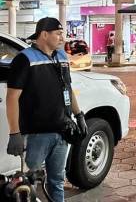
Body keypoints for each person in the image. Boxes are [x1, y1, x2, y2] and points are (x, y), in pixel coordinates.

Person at [6, 17, 88, 202]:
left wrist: (79, 115)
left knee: (57, 180)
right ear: (44, 34)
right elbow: (12, 97)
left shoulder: (62, 57)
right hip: (37, 135)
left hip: (62, 131)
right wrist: (15, 133)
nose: (62, 38)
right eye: (58, 34)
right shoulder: (25, 59)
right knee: (29, 184)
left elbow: (68, 88)